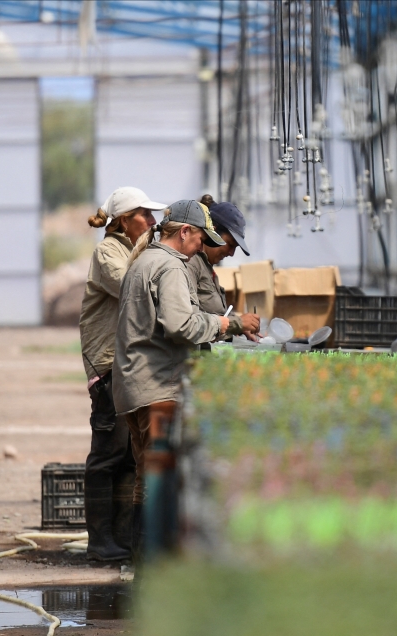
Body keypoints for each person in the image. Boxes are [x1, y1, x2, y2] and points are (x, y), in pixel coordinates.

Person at [112, 199, 231, 556]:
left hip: (134, 385)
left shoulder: (144, 261)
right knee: (156, 481)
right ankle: (151, 573)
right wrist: (224, 324)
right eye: (200, 239)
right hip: (156, 387)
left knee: (144, 478)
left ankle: (142, 570)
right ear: (185, 232)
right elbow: (180, 325)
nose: (203, 247)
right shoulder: (170, 267)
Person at [79, 186, 166, 561]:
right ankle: (99, 541)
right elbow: (133, 286)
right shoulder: (108, 252)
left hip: (127, 363)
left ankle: (121, 537)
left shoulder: (135, 251)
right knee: (108, 453)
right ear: (122, 221)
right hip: (109, 363)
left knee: (131, 455)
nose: (152, 222)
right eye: (144, 216)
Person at [188, 195, 260, 338]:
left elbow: (212, 313)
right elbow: (188, 322)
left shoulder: (206, 266)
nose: (231, 253)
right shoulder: (190, 263)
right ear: (212, 232)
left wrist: (238, 325)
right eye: (230, 244)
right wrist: (237, 322)